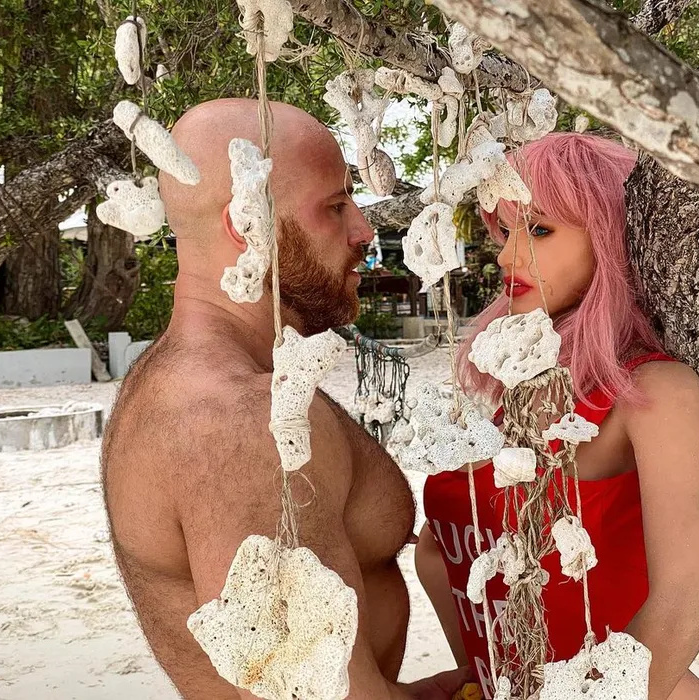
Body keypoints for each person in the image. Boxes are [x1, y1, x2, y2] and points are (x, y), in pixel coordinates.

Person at [102, 98, 467, 699]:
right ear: (247, 223)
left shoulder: (197, 379)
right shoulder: (238, 421)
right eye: (335, 207)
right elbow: (307, 692)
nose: (364, 231)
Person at [415, 133, 699, 700]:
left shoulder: (653, 395)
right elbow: (439, 550)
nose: (506, 257)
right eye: (506, 232)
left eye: (539, 230)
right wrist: (480, 674)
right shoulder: (519, 386)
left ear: (610, 239)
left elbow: (680, 603)